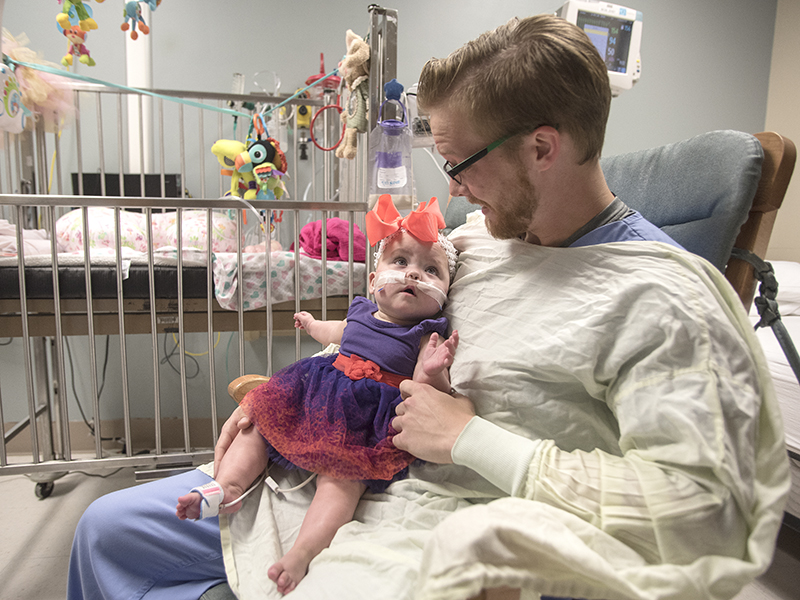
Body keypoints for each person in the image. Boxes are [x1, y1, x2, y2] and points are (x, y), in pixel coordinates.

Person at [68, 14, 788, 600]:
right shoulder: (480, 240)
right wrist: (281, 395)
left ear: (542, 148)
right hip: (339, 462)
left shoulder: (664, 299)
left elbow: (706, 514)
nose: (458, 191)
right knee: (105, 530)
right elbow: (384, 326)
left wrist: (470, 438)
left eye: (461, 165)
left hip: (442, 523)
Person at [174, 195, 460, 594]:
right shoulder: (361, 311)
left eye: (431, 270)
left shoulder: (425, 334)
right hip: (320, 385)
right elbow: (336, 333)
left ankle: (302, 553)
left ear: (445, 293)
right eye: (401, 262)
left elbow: (424, 391)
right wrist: (311, 324)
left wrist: (432, 370)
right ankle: (228, 486)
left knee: (343, 479)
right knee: (261, 420)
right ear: (374, 281)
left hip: (367, 415)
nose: (413, 274)